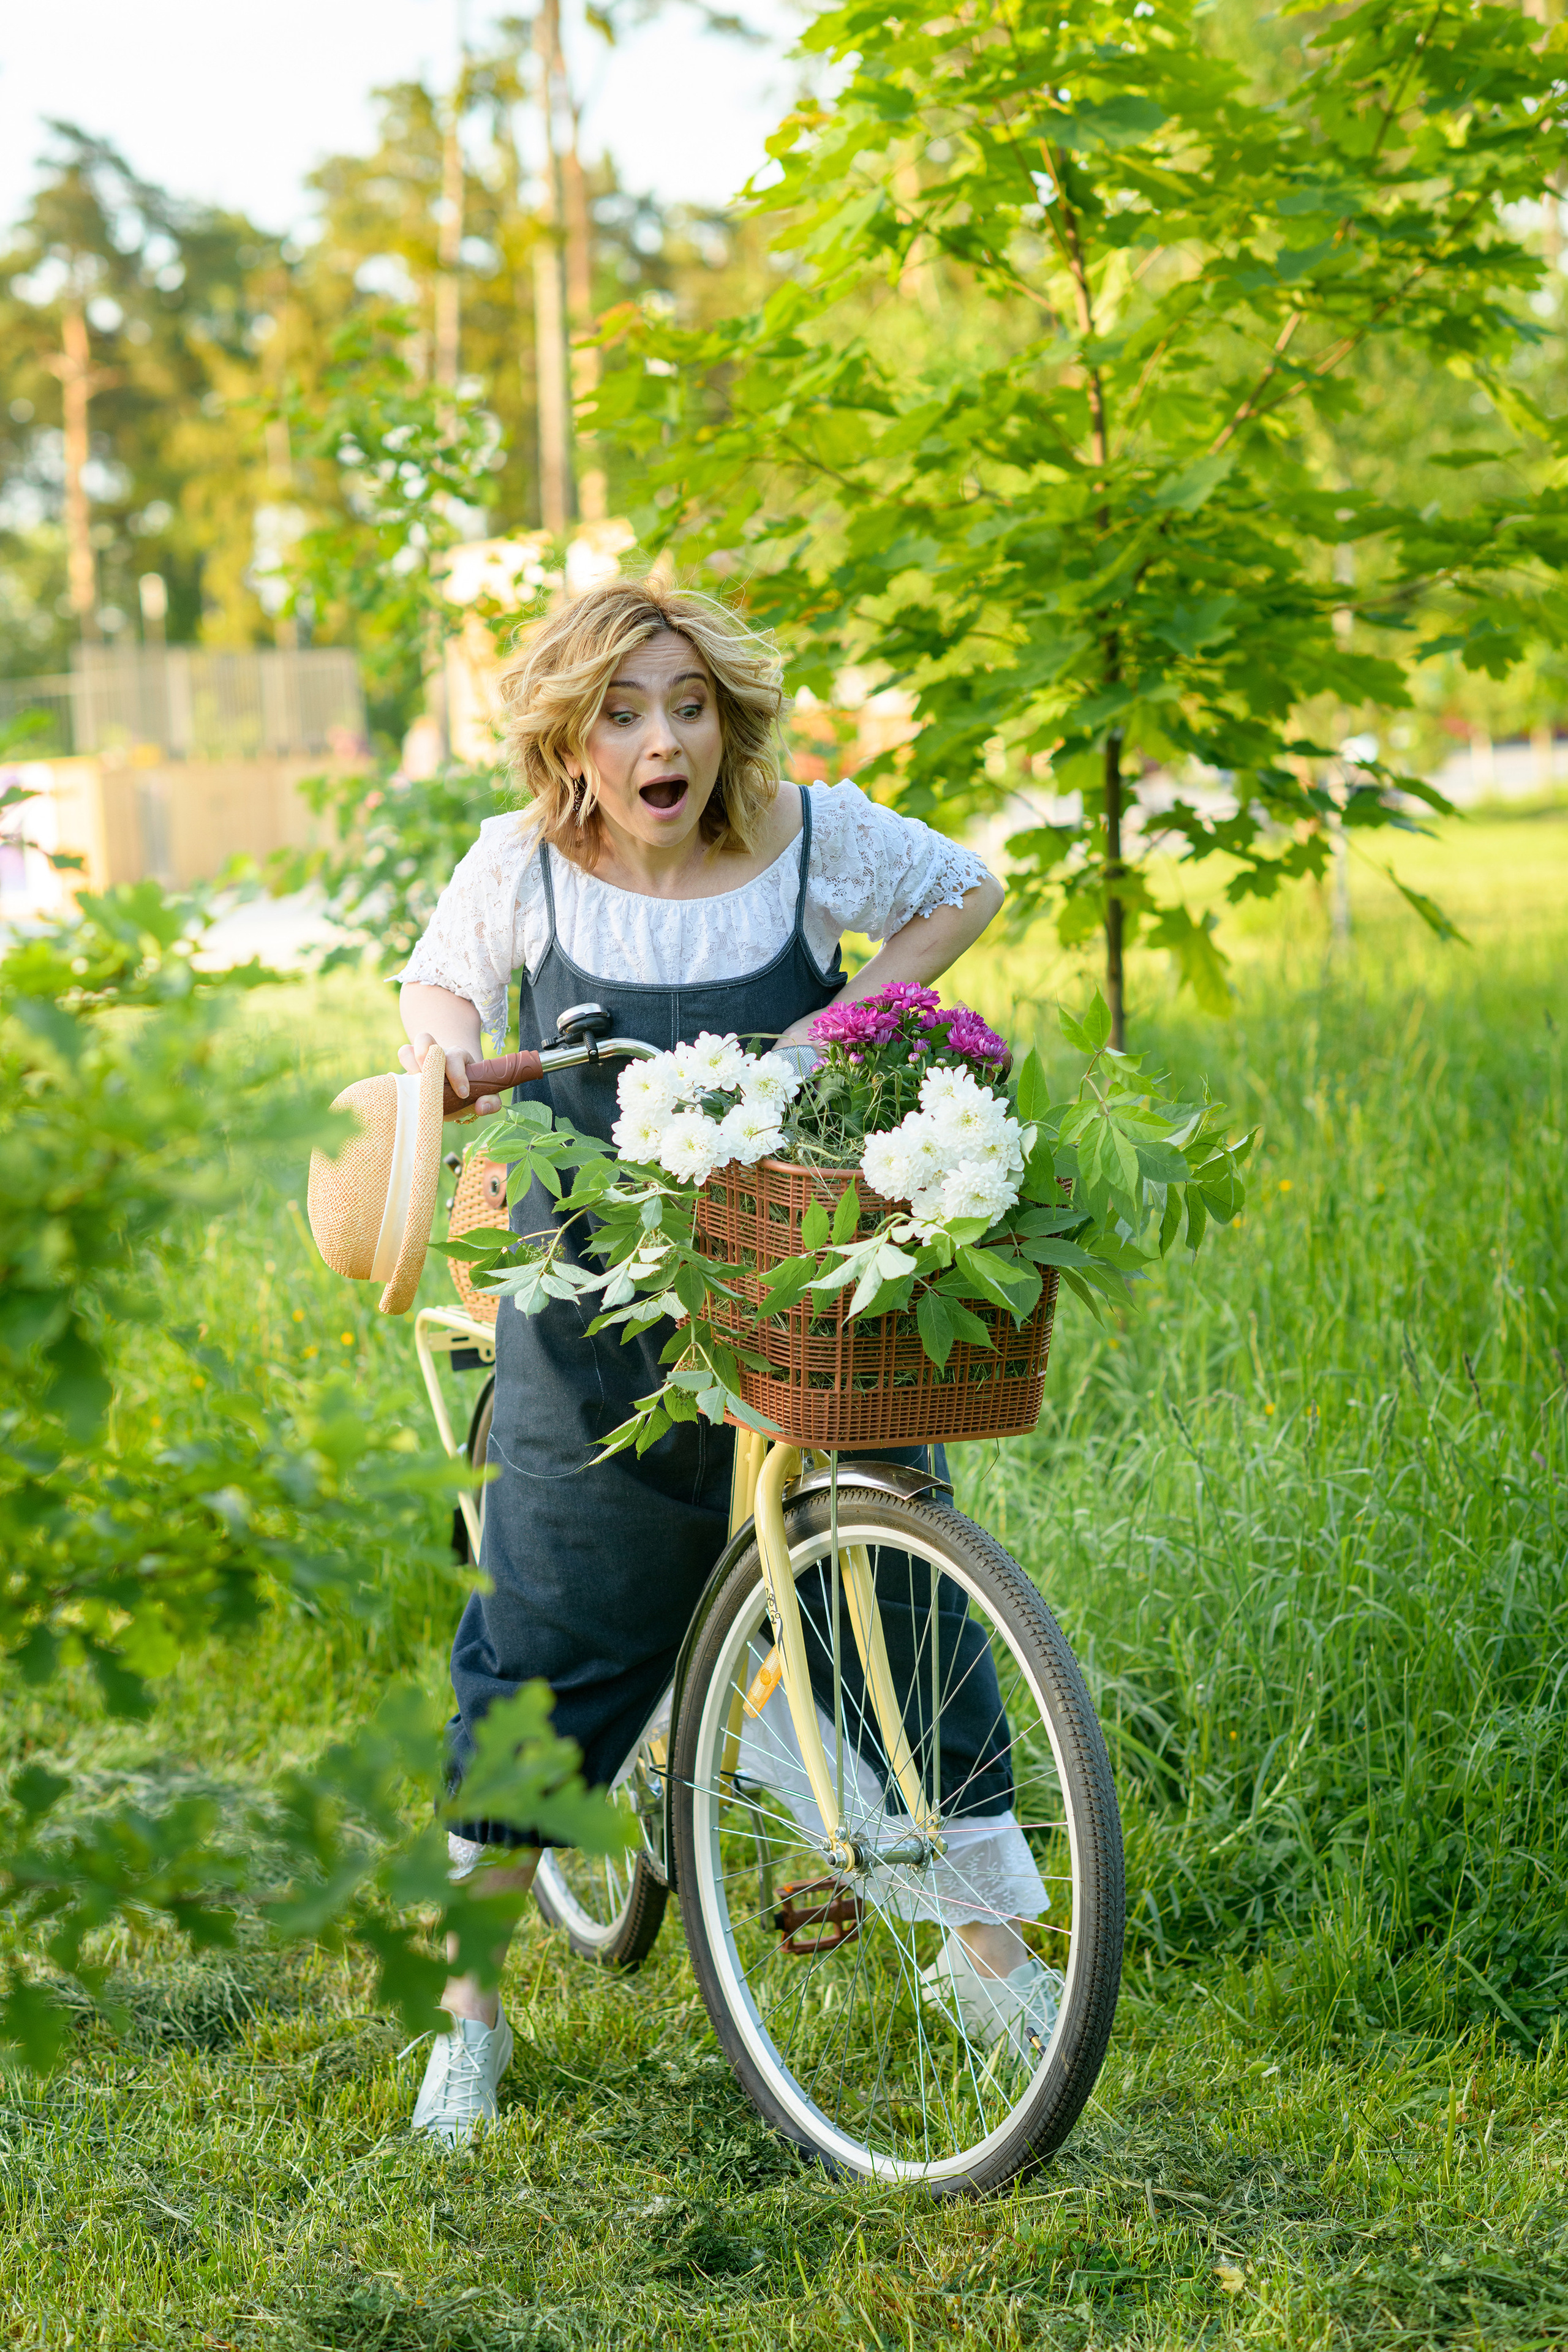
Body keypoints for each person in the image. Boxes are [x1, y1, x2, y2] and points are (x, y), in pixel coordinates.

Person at [396, 576, 1016, 2146]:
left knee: (894, 1586)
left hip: (797, 1280)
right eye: (621, 715)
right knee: (550, 1616)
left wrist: (843, 1025)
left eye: (687, 707)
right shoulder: (523, 865)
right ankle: (465, 2013)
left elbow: (965, 886)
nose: (660, 742)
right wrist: (447, 1053)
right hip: (594, 1305)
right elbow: (439, 984)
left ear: (726, 722)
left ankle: (991, 1954)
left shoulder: (803, 838)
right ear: (571, 740)